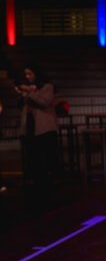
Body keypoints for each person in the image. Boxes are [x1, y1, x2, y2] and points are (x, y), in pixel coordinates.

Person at [15, 65, 59, 196]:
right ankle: (35, 181)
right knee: (33, 157)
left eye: (30, 73)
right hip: (30, 126)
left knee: (46, 156)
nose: (27, 77)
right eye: (26, 74)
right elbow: (21, 105)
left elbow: (44, 102)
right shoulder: (29, 88)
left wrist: (30, 92)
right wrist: (22, 94)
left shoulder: (47, 87)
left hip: (44, 127)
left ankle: (49, 184)